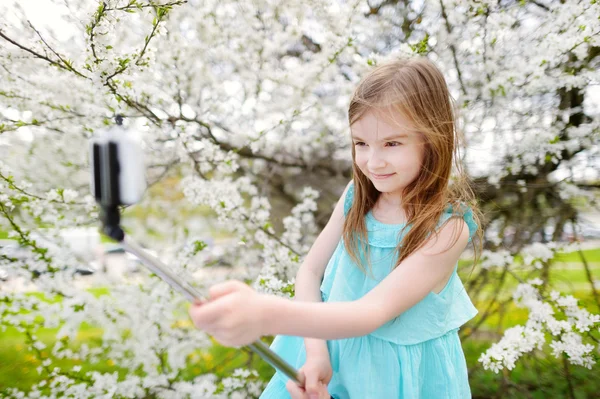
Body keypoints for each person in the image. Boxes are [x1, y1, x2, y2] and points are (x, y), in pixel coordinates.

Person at [188, 57, 483, 399]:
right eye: (361, 143)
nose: (373, 162)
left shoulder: (447, 230)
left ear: (433, 139)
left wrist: (266, 315)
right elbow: (310, 271)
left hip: (396, 380)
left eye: (392, 143)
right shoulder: (357, 196)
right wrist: (316, 352)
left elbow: (370, 313)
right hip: (330, 353)